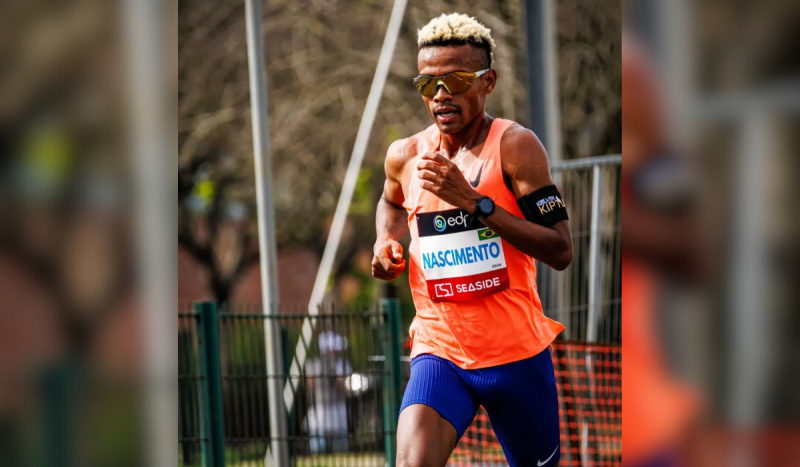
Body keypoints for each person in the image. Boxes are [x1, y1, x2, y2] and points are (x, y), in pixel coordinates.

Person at [371, 13, 573, 467]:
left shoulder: (516, 147)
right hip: (439, 351)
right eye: (428, 84)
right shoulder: (404, 155)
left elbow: (561, 249)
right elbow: (389, 202)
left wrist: (474, 202)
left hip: (515, 356)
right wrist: (385, 240)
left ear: (488, 82)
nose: (441, 95)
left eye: (457, 80)